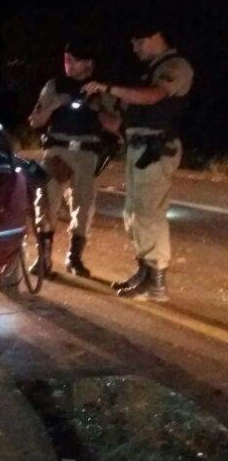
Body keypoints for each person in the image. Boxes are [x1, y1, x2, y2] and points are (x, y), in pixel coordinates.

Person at [83, 19, 194, 302]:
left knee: (148, 214)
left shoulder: (176, 66)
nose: (134, 47)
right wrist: (100, 111)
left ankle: (156, 283)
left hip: (156, 149)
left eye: (138, 41)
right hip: (139, 148)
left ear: (156, 36)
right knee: (134, 214)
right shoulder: (149, 71)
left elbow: (153, 97)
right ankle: (145, 273)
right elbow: (126, 120)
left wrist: (110, 88)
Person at [27, 42, 116, 278]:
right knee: (46, 202)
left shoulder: (100, 89)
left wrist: (98, 108)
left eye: (73, 59)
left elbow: (115, 125)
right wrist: (55, 104)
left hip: (87, 153)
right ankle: (43, 257)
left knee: (83, 205)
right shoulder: (55, 85)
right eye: (66, 58)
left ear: (88, 63)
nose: (67, 63)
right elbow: (35, 121)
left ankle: (75, 258)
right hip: (58, 152)